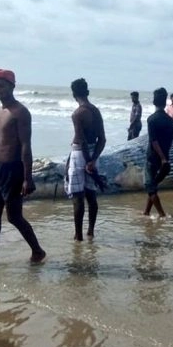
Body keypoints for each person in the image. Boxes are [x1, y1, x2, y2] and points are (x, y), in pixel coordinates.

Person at [0, 68, 46, 267]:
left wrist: (28, 177)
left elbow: (26, 146)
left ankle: (37, 251)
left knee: (14, 217)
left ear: (11, 86)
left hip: (13, 169)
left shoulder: (21, 113)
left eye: (1, 86)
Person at [65, 78, 107, 241]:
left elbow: (81, 141)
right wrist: (93, 160)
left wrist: (87, 161)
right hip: (94, 154)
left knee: (77, 196)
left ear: (74, 94)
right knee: (91, 194)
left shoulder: (77, 114)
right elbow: (102, 139)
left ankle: (78, 235)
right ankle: (90, 231)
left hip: (79, 155)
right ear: (87, 92)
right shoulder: (96, 111)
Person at [144, 87, 173, 217]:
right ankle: (146, 212)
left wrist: (161, 157)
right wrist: (165, 158)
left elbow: (153, 141)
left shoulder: (151, 120)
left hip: (153, 158)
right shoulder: (170, 120)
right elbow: (170, 139)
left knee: (150, 187)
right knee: (153, 186)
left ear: (154, 102)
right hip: (165, 159)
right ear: (165, 102)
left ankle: (162, 215)